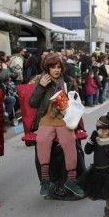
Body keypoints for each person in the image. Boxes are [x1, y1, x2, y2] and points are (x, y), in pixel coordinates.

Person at [29, 53, 84, 198]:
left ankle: (71, 181)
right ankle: (45, 180)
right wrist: (41, 86)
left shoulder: (68, 82)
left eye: (59, 67)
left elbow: (77, 102)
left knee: (70, 142)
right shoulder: (41, 80)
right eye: (53, 67)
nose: (56, 70)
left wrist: (70, 100)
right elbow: (32, 103)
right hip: (46, 119)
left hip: (64, 119)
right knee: (42, 140)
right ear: (47, 68)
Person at [79, 110, 109, 217]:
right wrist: (91, 140)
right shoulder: (96, 139)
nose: (99, 131)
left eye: (103, 129)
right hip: (96, 172)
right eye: (98, 128)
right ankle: (108, 211)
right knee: (96, 192)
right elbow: (87, 151)